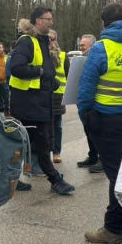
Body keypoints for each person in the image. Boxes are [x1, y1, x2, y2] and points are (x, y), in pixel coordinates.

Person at [79, 2, 122, 244]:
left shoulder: (101, 49)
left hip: (108, 121)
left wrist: (86, 119)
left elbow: (86, 91)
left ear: (103, 23)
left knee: (117, 174)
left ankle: (113, 229)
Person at [9, 7, 75, 195]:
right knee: (39, 144)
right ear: (38, 21)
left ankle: (12, 178)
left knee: (32, 144)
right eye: (48, 19)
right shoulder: (26, 42)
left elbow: (44, 69)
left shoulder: (41, 42)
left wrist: (50, 80)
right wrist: (41, 73)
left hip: (39, 103)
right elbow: (16, 68)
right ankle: (55, 180)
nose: (51, 22)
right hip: (28, 104)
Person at [76, 34, 104, 173]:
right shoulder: (81, 60)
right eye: (80, 45)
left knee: (96, 133)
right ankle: (92, 156)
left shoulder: (96, 59)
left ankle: (101, 159)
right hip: (84, 102)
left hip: (95, 103)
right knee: (88, 132)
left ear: (92, 47)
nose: (81, 48)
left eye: (83, 46)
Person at [49, 29, 70, 164]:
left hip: (58, 95)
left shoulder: (63, 56)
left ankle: (56, 152)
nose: (50, 42)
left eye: (52, 39)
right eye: (48, 39)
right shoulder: (41, 54)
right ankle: (46, 152)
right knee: (45, 126)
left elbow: (69, 75)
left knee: (57, 125)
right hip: (44, 95)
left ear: (56, 40)